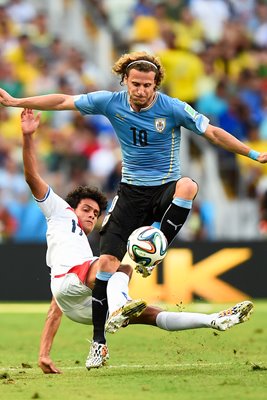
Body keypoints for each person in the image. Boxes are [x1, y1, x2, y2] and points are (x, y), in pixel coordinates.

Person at [1, 50, 265, 366]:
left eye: (147, 85)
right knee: (109, 262)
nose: (140, 91)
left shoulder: (173, 108)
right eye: (135, 84)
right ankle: (98, 343)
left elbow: (212, 132)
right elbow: (63, 101)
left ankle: (159, 247)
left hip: (163, 188)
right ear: (125, 80)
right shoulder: (111, 102)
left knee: (188, 186)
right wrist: (17, 102)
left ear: (156, 85)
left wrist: (251, 153)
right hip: (129, 194)